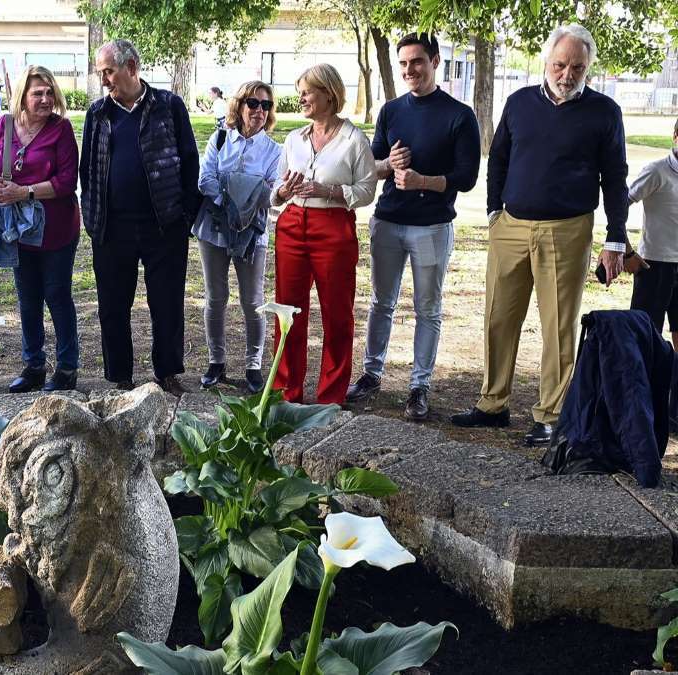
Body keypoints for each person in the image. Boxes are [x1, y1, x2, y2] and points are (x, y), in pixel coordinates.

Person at [451, 24, 629, 447]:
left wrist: (616, 237)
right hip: (510, 226)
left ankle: (550, 415)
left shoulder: (605, 112)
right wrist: (495, 212)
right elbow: (499, 160)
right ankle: (492, 404)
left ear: (588, 68)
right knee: (498, 317)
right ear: (546, 62)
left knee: (558, 327)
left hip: (568, 231)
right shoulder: (518, 103)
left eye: (577, 67)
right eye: (560, 64)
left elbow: (616, 178)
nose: (567, 74)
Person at [346, 33, 481, 421]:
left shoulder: (459, 115)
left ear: (435, 61)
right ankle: (372, 374)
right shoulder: (390, 111)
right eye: (403, 64)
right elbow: (369, 168)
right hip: (388, 221)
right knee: (381, 302)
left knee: (428, 309)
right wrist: (390, 163)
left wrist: (423, 181)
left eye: (417, 62)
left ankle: (419, 385)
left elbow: (467, 177)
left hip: (432, 225)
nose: (409, 70)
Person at [79, 39, 200, 395]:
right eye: (101, 73)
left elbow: (189, 159)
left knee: (166, 302)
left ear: (131, 67)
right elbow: (88, 170)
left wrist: (185, 215)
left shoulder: (168, 106)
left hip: (164, 225)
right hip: (112, 228)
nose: (104, 80)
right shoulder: (97, 113)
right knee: (113, 305)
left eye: (108, 71)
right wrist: (92, 217)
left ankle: (168, 372)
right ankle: (120, 376)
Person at [269, 63, 377, 405]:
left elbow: (367, 189)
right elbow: (276, 186)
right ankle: (286, 393)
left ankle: (331, 397)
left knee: (337, 314)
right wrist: (283, 191)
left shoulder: (354, 139)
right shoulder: (293, 138)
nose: (301, 97)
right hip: (292, 225)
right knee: (287, 312)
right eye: (300, 90)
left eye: (307, 91)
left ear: (329, 94)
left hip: (333, 227)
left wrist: (329, 191)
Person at [0, 65, 81, 393]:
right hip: (19, 231)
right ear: (22, 96)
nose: (45, 98)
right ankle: (34, 365)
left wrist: (24, 192)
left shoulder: (61, 130)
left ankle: (67, 368)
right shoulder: (5, 126)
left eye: (50, 92)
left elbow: (66, 183)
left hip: (57, 229)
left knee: (57, 294)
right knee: (28, 298)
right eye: (38, 93)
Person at [194, 80, 282, 394]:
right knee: (215, 297)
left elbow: (272, 191)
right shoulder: (219, 140)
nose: (259, 110)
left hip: (252, 234)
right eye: (253, 103)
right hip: (215, 229)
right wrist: (229, 205)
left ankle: (253, 367)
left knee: (253, 301)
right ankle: (216, 362)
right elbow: (206, 179)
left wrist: (243, 207)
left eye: (266, 105)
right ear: (240, 105)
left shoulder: (274, 151)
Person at [626, 118, 678, 350]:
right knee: (645, 334)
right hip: (655, 265)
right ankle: (641, 385)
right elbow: (621, 204)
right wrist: (626, 250)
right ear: (675, 136)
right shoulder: (656, 171)